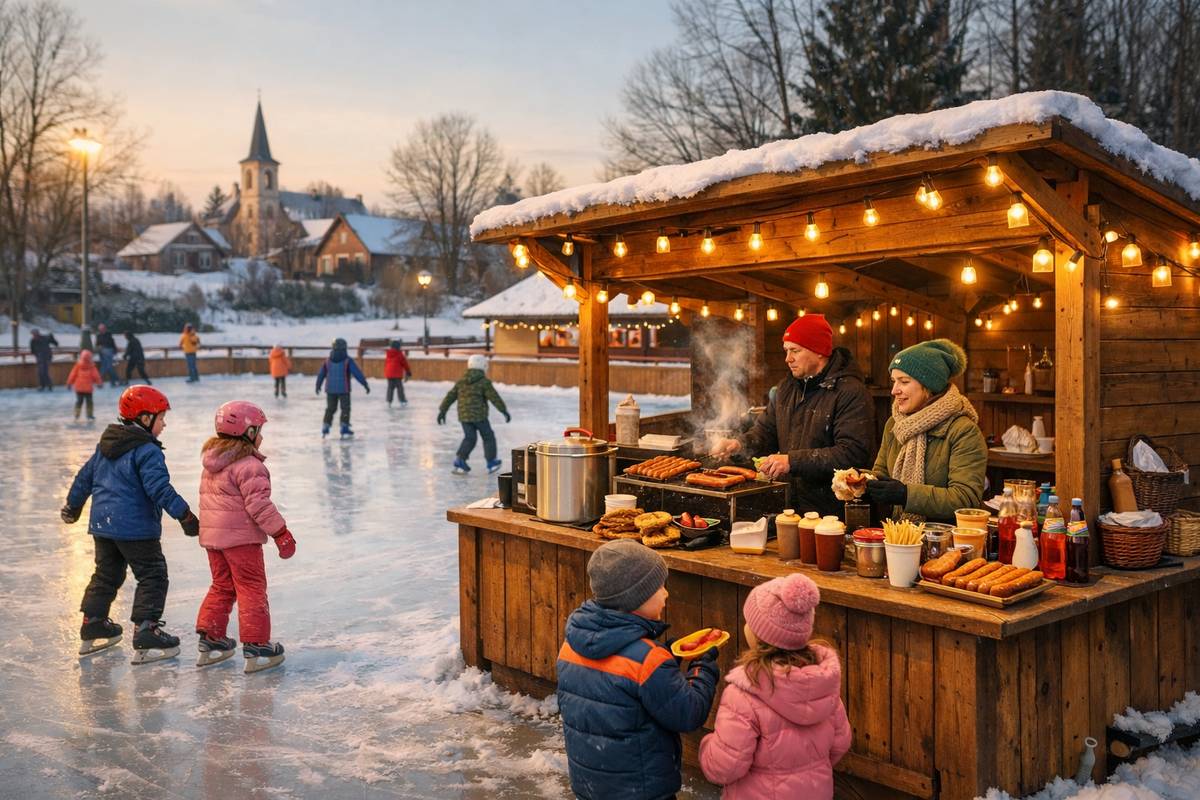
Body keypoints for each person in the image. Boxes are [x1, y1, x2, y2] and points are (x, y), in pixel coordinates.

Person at [557, 540, 720, 800]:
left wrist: (666, 657)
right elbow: (688, 713)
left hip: (590, 787)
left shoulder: (570, 646)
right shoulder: (648, 660)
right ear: (635, 598)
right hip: (642, 792)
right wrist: (703, 666)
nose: (666, 593)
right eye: (659, 587)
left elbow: (615, 682)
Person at [62, 385, 200, 662]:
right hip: (135, 528)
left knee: (106, 574)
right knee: (153, 574)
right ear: (145, 418)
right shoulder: (147, 450)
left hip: (104, 526)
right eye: (161, 418)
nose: (164, 424)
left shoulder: (106, 446)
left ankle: (93, 622)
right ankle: (146, 628)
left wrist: (73, 506)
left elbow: (84, 478)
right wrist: (184, 515)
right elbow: (159, 488)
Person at [699, 573, 851, 799]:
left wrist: (708, 745)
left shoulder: (743, 693)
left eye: (749, 621)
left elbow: (723, 767)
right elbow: (840, 743)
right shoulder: (823, 686)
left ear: (759, 635)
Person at [711, 314, 874, 517]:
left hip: (835, 512)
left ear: (819, 351)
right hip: (791, 507)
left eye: (795, 351)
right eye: (786, 350)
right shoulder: (786, 388)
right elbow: (765, 432)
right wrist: (739, 444)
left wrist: (792, 461)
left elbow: (852, 453)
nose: (788, 358)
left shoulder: (850, 392)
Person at [194, 401, 296, 673]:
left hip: (213, 539)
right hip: (241, 540)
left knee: (222, 585)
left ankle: (211, 639)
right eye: (259, 431)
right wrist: (281, 532)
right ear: (248, 432)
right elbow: (258, 505)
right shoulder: (249, 465)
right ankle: (257, 645)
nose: (262, 437)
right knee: (251, 586)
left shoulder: (213, 462)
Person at [865, 339, 987, 523]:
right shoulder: (894, 424)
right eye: (893, 381)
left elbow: (966, 499)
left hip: (944, 537)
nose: (894, 390)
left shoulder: (963, 431)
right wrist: (861, 479)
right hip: (899, 534)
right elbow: (881, 473)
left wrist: (906, 495)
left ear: (929, 386)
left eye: (904, 381)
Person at [437, 354, 510, 475]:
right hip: (479, 416)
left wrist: (442, 411)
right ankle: (491, 462)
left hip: (464, 417)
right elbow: (494, 397)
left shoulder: (461, 381)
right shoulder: (484, 382)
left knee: (470, 438)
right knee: (488, 436)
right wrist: (503, 410)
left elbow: (450, 396)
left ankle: (460, 460)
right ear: (483, 366)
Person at [315, 337, 369, 438]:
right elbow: (357, 373)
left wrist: (318, 385)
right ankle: (344, 426)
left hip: (330, 390)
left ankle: (326, 425)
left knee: (330, 408)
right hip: (344, 389)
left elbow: (321, 374)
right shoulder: (348, 361)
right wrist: (364, 384)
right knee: (345, 408)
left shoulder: (327, 361)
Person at [66, 349, 102, 420]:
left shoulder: (78, 365)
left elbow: (72, 375)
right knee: (89, 402)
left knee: (79, 401)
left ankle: (77, 414)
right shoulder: (92, 366)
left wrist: (69, 383)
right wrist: (99, 383)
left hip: (79, 389)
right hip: (88, 389)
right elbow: (96, 376)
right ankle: (89, 415)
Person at [384, 340, 411, 407]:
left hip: (389, 374)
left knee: (390, 388)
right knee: (399, 388)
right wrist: (408, 372)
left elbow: (386, 364)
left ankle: (389, 401)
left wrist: (387, 372)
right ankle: (402, 401)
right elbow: (405, 364)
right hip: (397, 374)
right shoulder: (399, 354)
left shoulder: (388, 354)